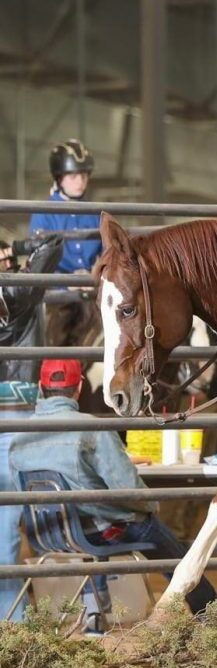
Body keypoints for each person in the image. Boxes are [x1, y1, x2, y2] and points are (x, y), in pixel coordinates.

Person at [9, 360, 217, 634]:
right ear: (80, 387)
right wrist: (150, 506)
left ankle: (95, 617)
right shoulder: (91, 429)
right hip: (97, 532)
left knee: (112, 523)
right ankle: (210, 612)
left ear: (40, 387)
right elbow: (127, 486)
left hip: (47, 534)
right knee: (150, 529)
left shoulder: (18, 437)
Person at [0, 235, 62, 621]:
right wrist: (21, 247)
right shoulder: (12, 291)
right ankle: (12, 619)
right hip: (13, 408)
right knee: (5, 521)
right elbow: (52, 247)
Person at [29, 139, 102, 348]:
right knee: (55, 331)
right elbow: (37, 262)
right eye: (73, 176)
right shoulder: (44, 212)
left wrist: (94, 275)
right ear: (59, 178)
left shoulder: (96, 212)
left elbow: (109, 254)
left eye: (84, 175)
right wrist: (66, 281)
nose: (79, 181)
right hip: (57, 291)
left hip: (91, 289)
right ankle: (55, 370)